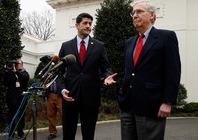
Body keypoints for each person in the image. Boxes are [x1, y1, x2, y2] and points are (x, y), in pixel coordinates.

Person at [117, 1, 181, 140]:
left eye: (139, 12)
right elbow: (131, 72)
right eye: (133, 13)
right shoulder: (130, 42)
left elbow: (173, 71)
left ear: (151, 15)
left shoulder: (166, 37)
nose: (134, 15)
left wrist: (168, 101)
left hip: (152, 106)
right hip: (127, 106)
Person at [58, 12, 117, 140]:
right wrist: (62, 89)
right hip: (70, 96)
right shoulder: (66, 46)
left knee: (88, 134)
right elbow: (59, 72)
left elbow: (106, 68)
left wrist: (107, 76)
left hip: (91, 97)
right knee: (68, 133)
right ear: (77, 25)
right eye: (85, 23)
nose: (88, 26)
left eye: (90, 23)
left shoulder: (99, 46)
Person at [3, 58, 30, 139]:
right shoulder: (10, 73)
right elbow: (5, 83)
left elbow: (25, 78)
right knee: (11, 116)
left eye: (17, 63)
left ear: (22, 64)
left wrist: (16, 72)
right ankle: (11, 133)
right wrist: (7, 71)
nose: (16, 65)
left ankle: (20, 133)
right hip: (12, 99)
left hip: (21, 98)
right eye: (15, 64)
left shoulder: (24, 73)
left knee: (21, 117)